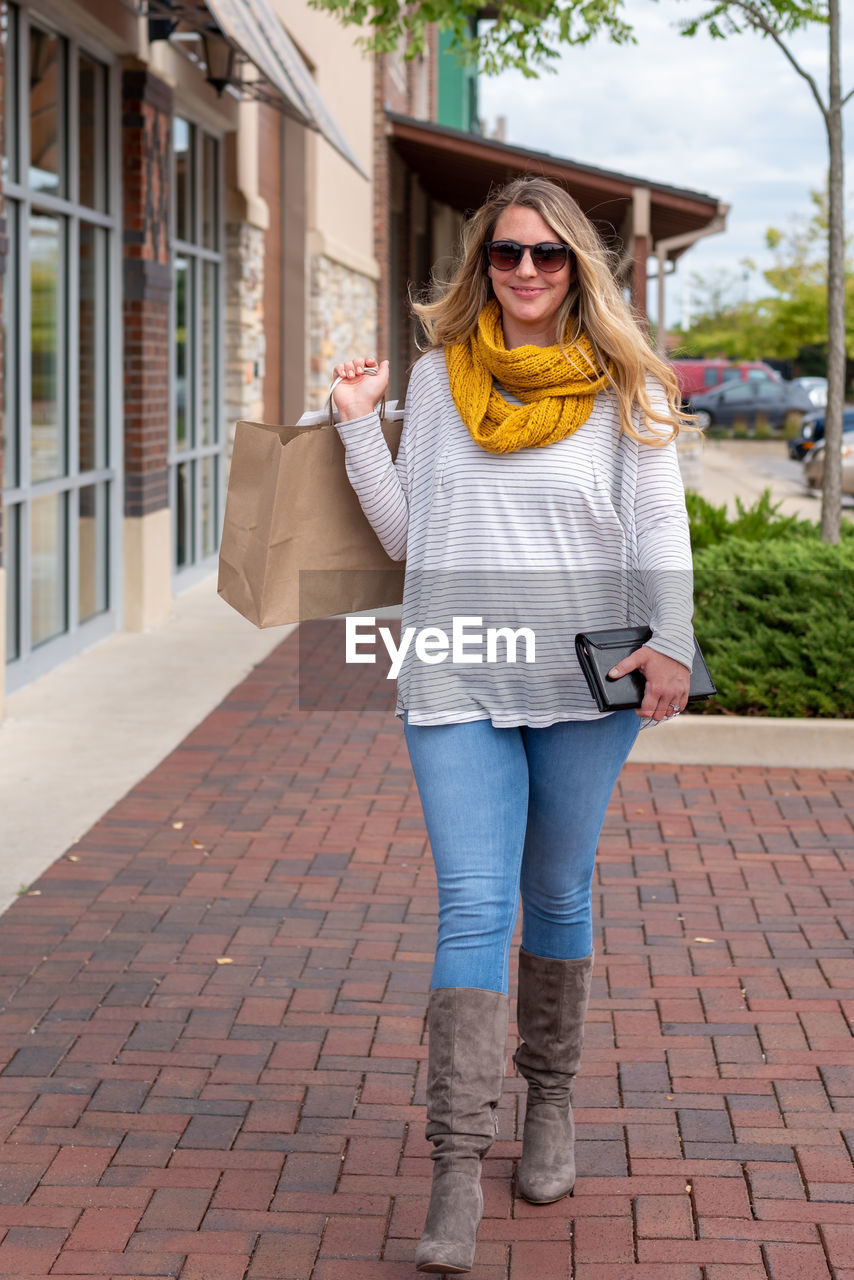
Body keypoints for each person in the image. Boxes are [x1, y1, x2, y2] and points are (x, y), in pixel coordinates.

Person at [331, 176, 696, 1275]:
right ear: (479, 266)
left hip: (587, 672)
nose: (525, 271)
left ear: (576, 265)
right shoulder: (442, 380)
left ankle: (549, 1105)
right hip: (452, 664)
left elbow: (657, 522)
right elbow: (408, 533)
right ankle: (453, 1161)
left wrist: (670, 639)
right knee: (473, 902)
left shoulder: (627, 382)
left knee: (555, 893)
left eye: (544, 255)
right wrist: (359, 429)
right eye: (505, 255)